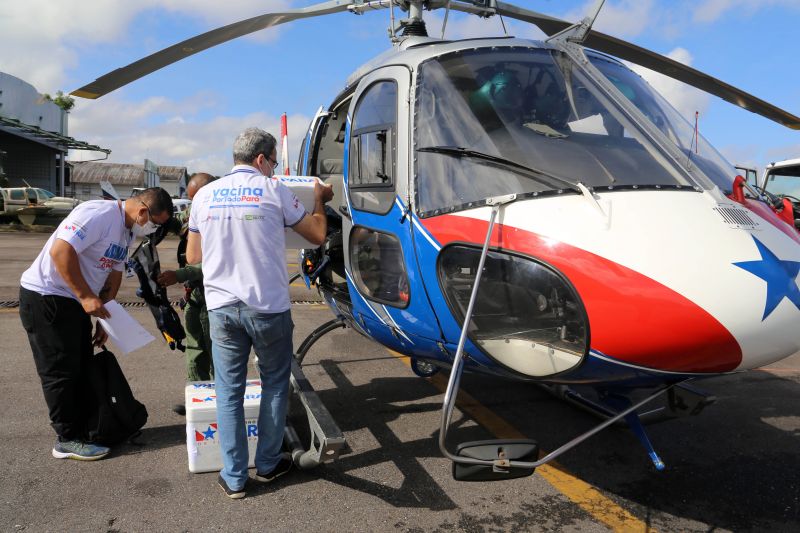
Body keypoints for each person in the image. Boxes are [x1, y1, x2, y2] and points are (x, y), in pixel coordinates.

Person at [186, 127, 332, 499]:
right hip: (267, 308)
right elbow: (316, 234)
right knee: (274, 384)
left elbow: (193, 257)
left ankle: (234, 477)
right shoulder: (273, 189)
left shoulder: (204, 195)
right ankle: (267, 464)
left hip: (222, 309)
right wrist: (318, 199)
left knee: (228, 392)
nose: (275, 168)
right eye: (274, 162)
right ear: (262, 159)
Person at [19, 188, 173, 460]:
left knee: (80, 366)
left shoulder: (127, 232)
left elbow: (113, 275)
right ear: (142, 212)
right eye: (155, 223)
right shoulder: (98, 215)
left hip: (74, 300)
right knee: (60, 371)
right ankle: (66, 439)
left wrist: (105, 318)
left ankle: (84, 430)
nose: (154, 230)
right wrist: (86, 296)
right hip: (48, 297)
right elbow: (61, 251)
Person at [158, 173, 216, 392]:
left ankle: (221, 399)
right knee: (194, 347)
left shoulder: (221, 220)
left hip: (215, 295)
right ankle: (198, 394)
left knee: (217, 351)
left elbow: (216, 263)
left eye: (198, 198)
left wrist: (180, 275)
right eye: (191, 200)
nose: (193, 205)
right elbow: (179, 223)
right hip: (195, 294)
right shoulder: (196, 211)